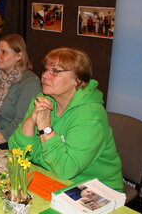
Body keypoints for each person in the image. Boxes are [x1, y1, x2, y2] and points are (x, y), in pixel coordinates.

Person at [8, 47, 123, 191]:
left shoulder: (91, 115)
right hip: (50, 178)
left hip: (94, 190)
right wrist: (31, 120)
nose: (44, 76)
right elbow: (16, 151)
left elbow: (66, 169)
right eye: (46, 69)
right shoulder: (42, 100)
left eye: (55, 71)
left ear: (77, 79)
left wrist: (45, 127)